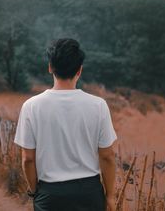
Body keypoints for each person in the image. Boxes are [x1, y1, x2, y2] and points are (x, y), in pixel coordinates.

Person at [14, 38, 117, 211]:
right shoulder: (98, 105)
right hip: (89, 193)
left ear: (50, 67)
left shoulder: (31, 106)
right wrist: (111, 196)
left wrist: (34, 191)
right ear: (80, 70)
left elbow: (28, 159)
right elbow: (107, 156)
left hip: (50, 194)